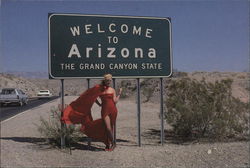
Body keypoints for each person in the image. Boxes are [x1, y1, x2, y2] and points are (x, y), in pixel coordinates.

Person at [61, 74, 122, 151]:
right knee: (108, 128)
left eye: (110, 80)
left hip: (113, 110)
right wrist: (99, 104)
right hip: (104, 110)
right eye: (107, 80)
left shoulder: (112, 90)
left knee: (109, 127)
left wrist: (119, 93)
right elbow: (92, 96)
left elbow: (115, 101)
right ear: (104, 80)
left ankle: (108, 144)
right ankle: (113, 143)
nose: (109, 82)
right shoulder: (99, 88)